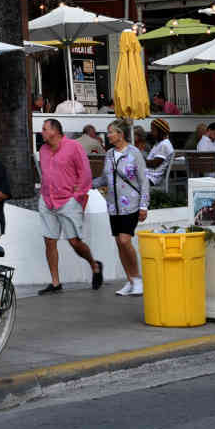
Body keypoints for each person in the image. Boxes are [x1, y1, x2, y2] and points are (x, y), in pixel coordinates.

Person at [36, 118, 101, 294]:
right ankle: (55, 282)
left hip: (68, 201)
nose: (41, 132)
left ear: (55, 131)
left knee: (75, 242)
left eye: (44, 129)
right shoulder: (43, 150)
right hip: (47, 200)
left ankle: (94, 265)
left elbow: (85, 174)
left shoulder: (73, 147)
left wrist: (76, 196)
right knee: (49, 241)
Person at [93, 118, 149, 296]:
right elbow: (104, 178)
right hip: (113, 206)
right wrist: (86, 184)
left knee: (125, 240)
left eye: (111, 132)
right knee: (119, 243)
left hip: (130, 204)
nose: (108, 135)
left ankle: (138, 279)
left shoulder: (134, 153)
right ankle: (130, 280)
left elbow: (144, 181)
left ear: (121, 134)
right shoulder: (109, 154)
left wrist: (144, 205)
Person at [145, 118, 176, 194]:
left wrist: (139, 160)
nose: (151, 132)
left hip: (151, 178)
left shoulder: (164, 145)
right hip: (147, 176)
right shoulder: (159, 143)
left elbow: (154, 164)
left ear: (161, 131)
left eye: (153, 130)